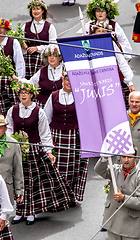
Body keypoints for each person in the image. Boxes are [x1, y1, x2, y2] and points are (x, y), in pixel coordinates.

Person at [6, 82, 76, 225]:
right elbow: (8, 129)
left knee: (32, 183)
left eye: (26, 93)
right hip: (17, 150)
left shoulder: (39, 111)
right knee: (18, 180)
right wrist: (11, 143)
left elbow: (45, 134)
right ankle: (19, 211)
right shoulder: (12, 110)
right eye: (21, 93)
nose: (23, 95)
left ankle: (31, 212)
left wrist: (49, 152)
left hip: (33, 151)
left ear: (32, 94)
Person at [44, 72, 88, 202]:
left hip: (72, 136)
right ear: (63, 80)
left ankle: (69, 195)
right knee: (55, 166)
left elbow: (85, 118)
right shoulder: (53, 96)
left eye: (72, 80)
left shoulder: (80, 96)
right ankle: (56, 194)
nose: (69, 82)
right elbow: (46, 117)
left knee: (70, 167)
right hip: (56, 135)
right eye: (67, 79)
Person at [94, 147, 140, 240]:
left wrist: (123, 198)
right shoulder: (115, 170)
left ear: (135, 158)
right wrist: (104, 158)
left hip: (130, 227)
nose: (126, 160)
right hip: (112, 222)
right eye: (124, 157)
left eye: (130, 157)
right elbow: (99, 170)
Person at [91, 22, 135, 109]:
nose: (101, 33)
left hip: (113, 81)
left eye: (103, 31)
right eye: (99, 31)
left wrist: (130, 82)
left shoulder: (112, 45)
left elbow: (122, 63)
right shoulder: (89, 46)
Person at [22, 0, 57, 80]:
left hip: (42, 60)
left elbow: (53, 46)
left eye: (38, 9)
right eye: (33, 9)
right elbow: (20, 42)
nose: (35, 11)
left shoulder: (50, 27)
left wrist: (38, 48)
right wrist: (23, 45)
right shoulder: (25, 26)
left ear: (43, 10)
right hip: (28, 61)